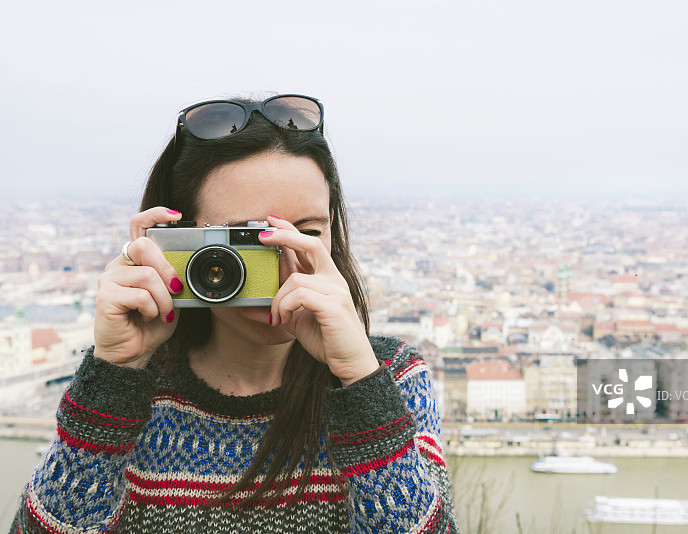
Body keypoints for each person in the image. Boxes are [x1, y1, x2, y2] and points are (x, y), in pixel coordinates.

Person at [12, 95, 459, 533]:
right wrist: (114, 376)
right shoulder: (122, 388)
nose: (284, 270)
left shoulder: (392, 378)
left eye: (306, 234)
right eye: (245, 241)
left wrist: (359, 380)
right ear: (178, 243)